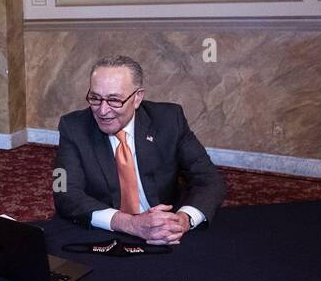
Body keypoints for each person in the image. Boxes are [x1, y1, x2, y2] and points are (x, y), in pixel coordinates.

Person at [53, 55, 224, 245]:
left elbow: (209, 178)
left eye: (114, 100)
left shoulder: (169, 120)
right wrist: (130, 224)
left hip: (168, 232)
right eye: (95, 98)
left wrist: (182, 220)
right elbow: (63, 192)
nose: (102, 111)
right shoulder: (73, 127)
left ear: (137, 98)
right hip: (105, 234)